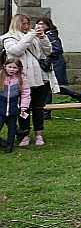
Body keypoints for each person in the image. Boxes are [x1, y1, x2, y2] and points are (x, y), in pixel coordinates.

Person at [1, 14, 59, 147]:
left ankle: (39, 134)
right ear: (16, 24)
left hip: (40, 78)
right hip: (21, 79)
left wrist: (43, 37)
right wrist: (30, 35)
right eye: (23, 24)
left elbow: (47, 51)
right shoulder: (8, 38)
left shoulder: (32, 36)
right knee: (23, 108)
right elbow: (16, 51)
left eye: (28, 23)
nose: (27, 26)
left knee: (38, 108)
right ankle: (24, 135)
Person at [36, 17, 81, 104]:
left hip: (54, 63)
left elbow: (57, 49)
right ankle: (76, 95)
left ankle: (46, 111)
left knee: (49, 86)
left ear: (48, 25)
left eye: (42, 24)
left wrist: (47, 56)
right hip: (50, 63)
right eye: (38, 24)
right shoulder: (45, 35)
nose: (39, 26)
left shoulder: (50, 35)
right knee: (48, 86)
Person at [0, 58, 30, 153]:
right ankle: (3, 143)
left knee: (12, 129)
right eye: (10, 67)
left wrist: (23, 107)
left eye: (15, 68)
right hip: (1, 107)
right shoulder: (1, 76)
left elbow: (26, 93)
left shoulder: (21, 79)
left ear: (19, 68)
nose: (12, 69)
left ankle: (9, 146)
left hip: (13, 108)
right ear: (5, 66)